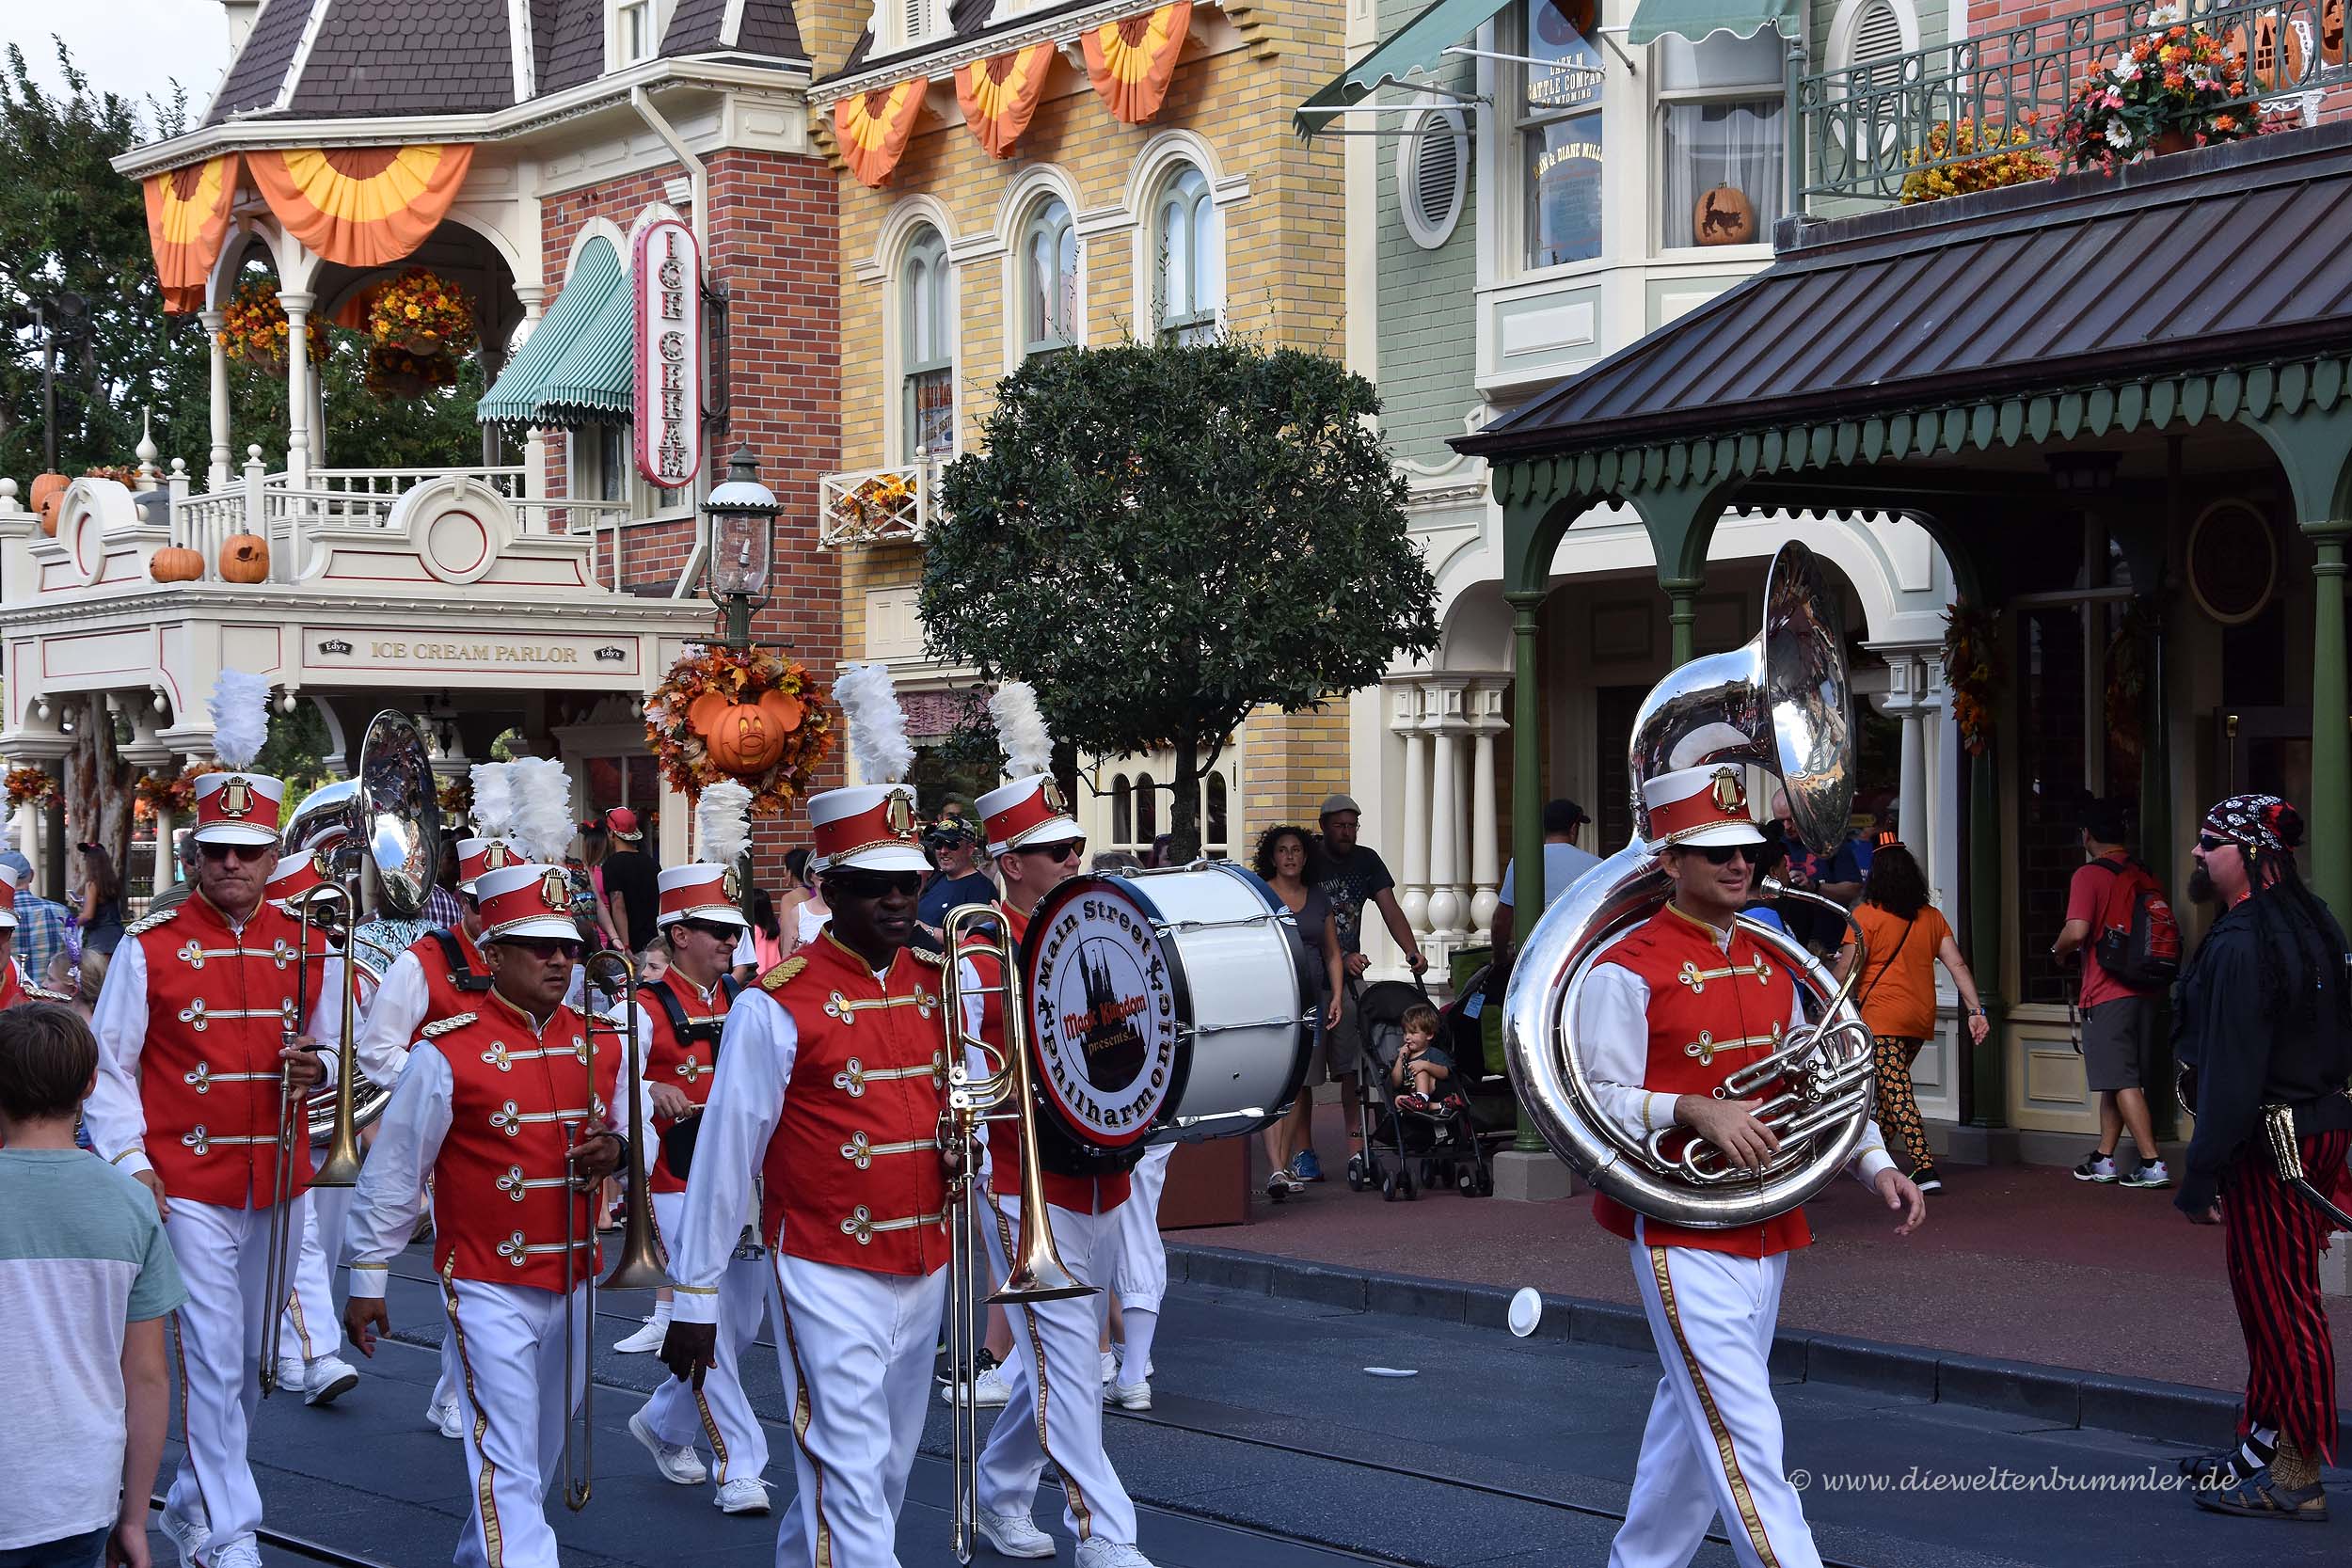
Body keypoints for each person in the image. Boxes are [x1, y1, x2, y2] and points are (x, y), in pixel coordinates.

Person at [1575, 763, 1923, 1568]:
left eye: (1748, 850)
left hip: (1769, 1215)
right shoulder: (1624, 965)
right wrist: (1693, 1108)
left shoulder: (1775, 955)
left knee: (1691, 1416)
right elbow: (1596, 1100)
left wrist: (1874, 1162)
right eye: (1717, 851)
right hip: (1680, 1222)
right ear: (1670, 860)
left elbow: (1820, 1075)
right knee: (1745, 1429)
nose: (1741, 864)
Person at [660, 707, 956, 1568]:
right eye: (874, 885)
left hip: (927, 1254)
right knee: (847, 1465)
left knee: (883, 1467)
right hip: (825, 1260)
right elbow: (727, 1155)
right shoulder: (775, 1002)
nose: (898, 900)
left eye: (909, 883)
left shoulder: (940, 980)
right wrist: (695, 1295)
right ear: (829, 887)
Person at [80, 737, 343, 1568]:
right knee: (211, 1352)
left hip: (280, 1176)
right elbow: (108, 1065)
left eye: (248, 850)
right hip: (186, 1181)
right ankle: (231, 1529)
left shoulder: (310, 941)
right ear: (195, 852)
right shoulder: (148, 943)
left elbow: (341, 1045)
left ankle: (196, 1502)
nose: (232, 863)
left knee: (253, 1354)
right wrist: (131, 1162)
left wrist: (322, 1067)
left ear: (271, 857)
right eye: (218, 849)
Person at [342, 862, 631, 1568]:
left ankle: (484, 1556)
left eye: (568, 946)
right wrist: (369, 1274)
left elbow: (637, 1135)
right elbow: (397, 1168)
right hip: (484, 1278)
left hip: (577, 1275)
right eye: (539, 946)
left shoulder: (607, 1039)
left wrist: (619, 1150)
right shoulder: (444, 1050)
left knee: (538, 1448)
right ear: (492, 954)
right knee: (505, 1451)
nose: (559, 960)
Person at [955, 766, 1156, 1565]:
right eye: (1055, 849)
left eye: (1075, 844)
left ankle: (998, 1489)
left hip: (1102, 1175)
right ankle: (1104, 1533)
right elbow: (963, 1082)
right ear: (1011, 863)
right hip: (1019, 1180)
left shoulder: (1098, 932)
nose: (1074, 856)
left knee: (1056, 1356)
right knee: (1072, 1361)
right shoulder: (976, 958)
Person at [2171, 793, 2352, 1520]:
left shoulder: (2245, 940)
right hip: (2311, 1127)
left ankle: (2298, 1474)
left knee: (2283, 1304)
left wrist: (2202, 1172)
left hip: (2275, 1140)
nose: (2197, 851)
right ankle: (2265, 1446)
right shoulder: (2314, 919)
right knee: (2270, 1297)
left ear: (2248, 854)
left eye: (2210, 840)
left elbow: (2232, 1068)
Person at [0, 1004, 184, 1568]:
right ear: (89, 1086)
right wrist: (133, 1518)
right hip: (77, 1496)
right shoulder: (132, 1204)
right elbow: (148, 1376)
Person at [619, 861, 776, 1516]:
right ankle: (740, 1463)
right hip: (675, 1179)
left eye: (734, 931)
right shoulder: (640, 1008)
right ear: (679, 935)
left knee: (742, 1325)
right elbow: (607, 1088)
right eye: (717, 930)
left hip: (742, 1182)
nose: (731, 941)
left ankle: (665, 1420)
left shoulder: (746, 1000)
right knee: (706, 1318)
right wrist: (647, 1088)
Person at [352, 829, 518, 1439]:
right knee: (468, 1267)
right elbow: (377, 1050)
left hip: (519, 1137)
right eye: (478, 903)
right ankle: (460, 1390)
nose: (489, 916)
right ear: (462, 901)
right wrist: (445, 1089)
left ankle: (457, 1388)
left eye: (502, 904)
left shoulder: (531, 959)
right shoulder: (420, 962)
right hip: (451, 1139)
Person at [1832, 841, 1990, 1195]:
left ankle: (1924, 1165)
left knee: (1897, 1092)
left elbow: (1846, 971)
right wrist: (1975, 1010)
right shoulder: (1931, 917)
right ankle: (1873, 1157)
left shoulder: (1865, 916)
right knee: (1891, 1091)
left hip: (1881, 1016)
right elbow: (1957, 964)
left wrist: (1826, 1007)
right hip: (1919, 1016)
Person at [2053, 797, 2171, 1189]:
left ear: (2086, 835)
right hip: (2148, 989)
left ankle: (2152, 1162)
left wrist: (2057, 951)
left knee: (2122, 1080)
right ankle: (2104, 1158)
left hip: (2107, 991)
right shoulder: (2142, 872)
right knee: (2116, 1077)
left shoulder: (2089, 875)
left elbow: (2077, 931)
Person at [1308, 794, 1426, 1183]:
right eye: (1339, 826)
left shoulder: (1367, 860)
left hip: (1348, 982)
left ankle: (1357, 1149)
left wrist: (1411, 950)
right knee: (1306, 1075)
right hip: (1309, 979)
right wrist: (1341, 956)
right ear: (1323, 826)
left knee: (1353, 1069)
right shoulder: (1309, 860)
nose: (1346, 833)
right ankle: (1303, 1151)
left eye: (1352, 826)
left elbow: (1390, 909)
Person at [1253, 825, 1342, 1198]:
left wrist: (1337, 996)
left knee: (1300, 1085)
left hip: (1311, 1001)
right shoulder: (1259, 894)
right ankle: (1276, 1167)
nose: (1290, 856)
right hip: (1271, 999)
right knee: (1274, 1081)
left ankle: (1285, 1165)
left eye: (1296, 850)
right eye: (1282, 850)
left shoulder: (1318, 898)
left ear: (1306, 857)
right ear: (1272, 858)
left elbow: (1332, 953)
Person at [1491, 799, 1600, 989]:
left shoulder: (1520, 862)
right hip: (1578, 964)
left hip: (1533, 965)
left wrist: (1499, 958)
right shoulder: (1596, 866)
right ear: (1573, 828)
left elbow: (1501, 920)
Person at [914, 810, 995, 949]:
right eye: (938, 844)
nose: (943, 851)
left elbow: (979, 937)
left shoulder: (981, 888)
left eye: (952, 845)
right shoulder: (936, 879)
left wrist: (927, 930)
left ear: (970, 849)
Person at [1, 847, 76, 986]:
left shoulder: (4, 914)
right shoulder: (61, 912)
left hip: (8, 994)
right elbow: (74, 960)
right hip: (50, 994)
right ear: (32, 875)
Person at [599, 806, 661, 956]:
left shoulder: (612, 864)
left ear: (611, 833)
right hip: (651, 943)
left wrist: (625, 946)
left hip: (627, 947)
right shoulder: (653, 864)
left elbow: (618, 904)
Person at [1387, 1002, 1455, 1111]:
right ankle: (1439, 1106)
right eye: (1405, 1033)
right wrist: (1400, 1059)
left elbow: (1446, 1073)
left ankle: (1422, 1099)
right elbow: (1395, 1083)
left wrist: (1425, 1065)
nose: (1407, 1037)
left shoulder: (1434, 1053)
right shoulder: (1404, 1056)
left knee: (1420, 1070)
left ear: (1429, 1035)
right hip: (1413, 1097)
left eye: (1413, 1033)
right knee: (1398, 1100)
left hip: (1435, 1091)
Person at [774, 847, 831, 958]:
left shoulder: (846, 909)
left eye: (827, 871)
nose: (822, 875)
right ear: (810, 875)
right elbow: (786, 954)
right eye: (817, 871)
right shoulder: (797, 912)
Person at [72, 843, 125, 957]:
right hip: (117, 935)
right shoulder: (112, 882)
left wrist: (70, 923)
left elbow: (88, 915)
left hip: (100, 939)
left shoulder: (92, 884)